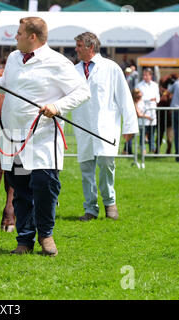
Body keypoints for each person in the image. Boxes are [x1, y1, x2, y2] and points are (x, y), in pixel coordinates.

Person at [0, 17, 90, 256]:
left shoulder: (57, 62)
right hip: (13, 135)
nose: (15, 37)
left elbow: (82, 91)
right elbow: (7, 83)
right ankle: (24, 239)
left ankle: (46, 235)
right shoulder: (14, 58)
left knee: (45, 186)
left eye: (19, 33)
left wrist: (57, 107)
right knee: (20, 190)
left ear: (32, 37)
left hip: (42, 137)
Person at [73, 32, 138, 222]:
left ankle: (110, 203)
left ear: (90, 47)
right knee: (86, 168)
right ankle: (90, 208)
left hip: (106, 125)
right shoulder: (74, 71)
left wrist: (129, 126)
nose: (75, 49)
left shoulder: (111, 68)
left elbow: (125, 97)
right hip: (82, 124)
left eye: (79, 45)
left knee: (106, 165)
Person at [136, 68, 160, 154]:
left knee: (152, 131)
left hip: (152, 110)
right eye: (144, 75)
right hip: (143, 110)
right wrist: (149, 99)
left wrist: (154, 99)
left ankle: (152, 147)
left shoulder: (155, 85)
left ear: (151, 76)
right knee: (143, 131)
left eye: (147, 75)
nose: (145, 77)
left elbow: (157, 98)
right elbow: (138, 97)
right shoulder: (139, 85)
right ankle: (142, 148)